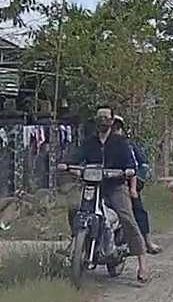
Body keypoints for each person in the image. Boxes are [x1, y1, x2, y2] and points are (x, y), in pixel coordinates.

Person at [61, 107, 149, 283]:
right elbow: (76, 156)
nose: (103, 121)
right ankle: (78, 243)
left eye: (106, 118)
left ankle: (142, 264)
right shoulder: (89, 142)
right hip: (92, 186)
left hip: (115, 186)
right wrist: (66, 164)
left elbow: (130, 163)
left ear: (111, 121)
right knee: (75, 209)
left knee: (127, 217)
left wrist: (128, 170)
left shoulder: (120, 142)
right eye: (100, 118)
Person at [122, 120, 162, 254]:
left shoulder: (128, 146)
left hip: (126, 182)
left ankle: (147, 242)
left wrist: (134, 185)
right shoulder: (100, 144)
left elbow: (141, 164)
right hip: (102, 182)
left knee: (137, 208)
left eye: (117, 128)